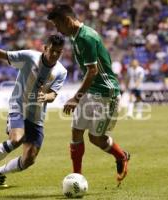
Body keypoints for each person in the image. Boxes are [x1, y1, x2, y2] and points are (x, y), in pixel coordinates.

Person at [0, 34, 67, 187]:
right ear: (45, 48)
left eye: (59, 52)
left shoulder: (61, 71)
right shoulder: (29, 57)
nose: (55, 55)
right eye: (52, 50)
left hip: (36, 116)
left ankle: (0, 172)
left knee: (29, 159)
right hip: (18, 106)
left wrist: (46, 96)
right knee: (16, 139)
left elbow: (53, 95)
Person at [47, 4, 130, 185]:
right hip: (91, 91)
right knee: (76, 131)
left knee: (96, 138)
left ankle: (122, 156)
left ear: (66, 21)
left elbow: (92, 71)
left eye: (57, 25)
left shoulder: (85, 37)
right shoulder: (76, 37)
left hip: (106, 94)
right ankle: (77, 178)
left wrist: (75, 98)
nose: (57, 30)